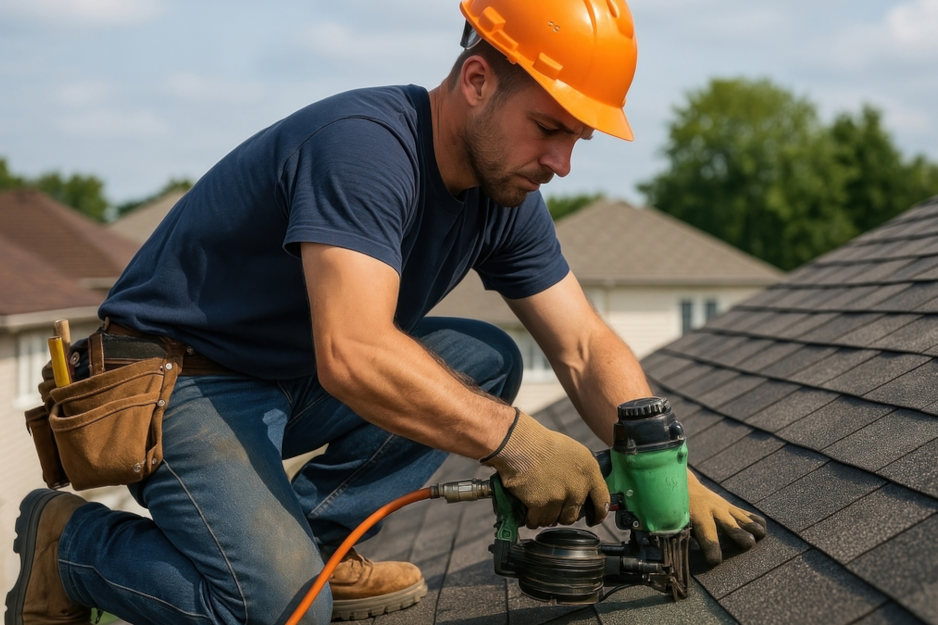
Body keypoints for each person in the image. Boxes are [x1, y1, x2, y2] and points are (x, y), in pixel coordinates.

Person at [6, 1, 766, 623]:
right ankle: (71, 547)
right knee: (279, 612)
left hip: (278, 377)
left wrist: (654, 455)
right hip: (175, 380)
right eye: (549, 127)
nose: (562, 162)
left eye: (578, 139)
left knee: (486, 360)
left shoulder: (504, 194)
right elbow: (354, 353)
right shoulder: (366, 150)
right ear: (476, 79)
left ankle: (320, 544)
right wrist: (517, 442)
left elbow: (580, 342)